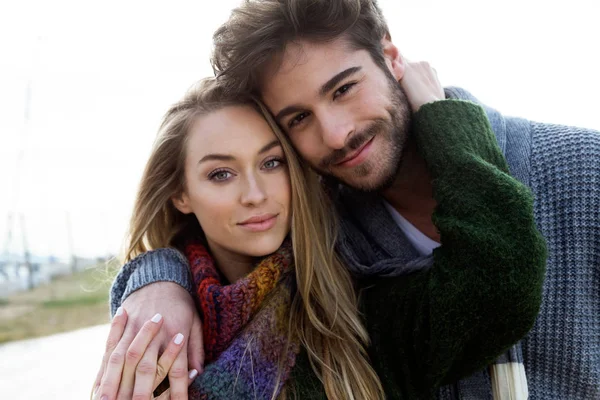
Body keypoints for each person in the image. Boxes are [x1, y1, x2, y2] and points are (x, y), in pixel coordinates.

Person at [116, 1, 598, 398]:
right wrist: (156, 278)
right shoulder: (337, 253)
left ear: (392, 59)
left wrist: (442, 116)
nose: (337, 133)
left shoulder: (343, 305)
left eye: (344, 88)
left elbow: (494, 281)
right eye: (298, 119)